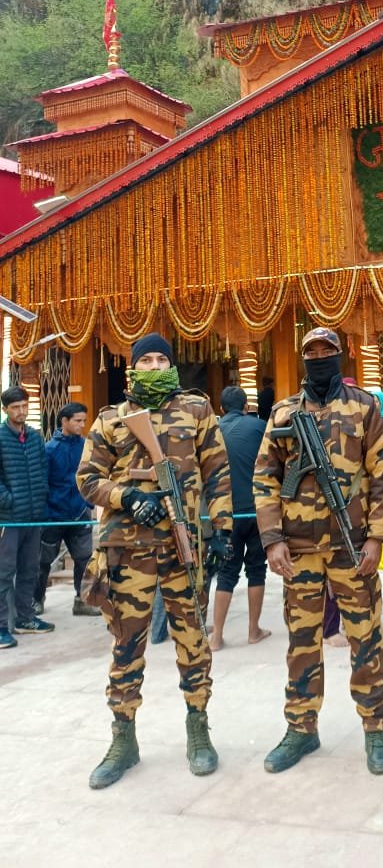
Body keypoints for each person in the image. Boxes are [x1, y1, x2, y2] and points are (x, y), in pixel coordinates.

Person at [77, 332, 232, 789]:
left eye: (162, 360)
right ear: (133, 367)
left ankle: (198, 731)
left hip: (182, 548)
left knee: (193, 641)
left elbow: (218, 473)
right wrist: (127, 497)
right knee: (126, 647)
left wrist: (222, 530)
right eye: (146, 361)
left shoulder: (197, 410)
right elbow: (88, 479)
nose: (154, 367)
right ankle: (123, 739)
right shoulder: (110, 419)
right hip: (127, 551)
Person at [253, 326, 383, 776]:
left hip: (352, 545)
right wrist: (272, 539)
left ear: (340, 355)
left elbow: (381, 475)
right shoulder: (283, 412)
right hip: (298, 549)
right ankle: (301, 727)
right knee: (302, 642)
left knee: (365, 638)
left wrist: (376, 537)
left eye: (326, 351)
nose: (318, 358)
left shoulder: (364, 406)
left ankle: (375, 726)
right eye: (310, 353)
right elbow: (265, 478)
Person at [209, 386, 269, 651]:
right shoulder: (259, 426)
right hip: (256, 509)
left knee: (226, 572)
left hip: (225, 512)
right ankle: (253, 631)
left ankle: (216, 636)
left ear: (221, 409)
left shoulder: (213, 431)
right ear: (246, 407)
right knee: (256, 568)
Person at [34, 402, 99, 618]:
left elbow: (92, 477)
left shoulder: (86, 446)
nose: (82, 425)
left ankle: (82, 601)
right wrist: (44, 512)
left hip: (79, 513)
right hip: (53, 516)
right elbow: (42, 483)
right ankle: (37, 600)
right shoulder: (49, 449)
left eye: (84, 421)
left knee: (84, 560)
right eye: (77, 421)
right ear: (65, 421)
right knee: (43, 561)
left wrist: (88, 504)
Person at [0, 386, 53, 648]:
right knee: (3, 573)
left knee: (29, 569)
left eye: (24, 405)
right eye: (15, 407)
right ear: (5, 409)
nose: (21, 411)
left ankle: (25, 618)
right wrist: (8, 500)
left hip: (33, 517)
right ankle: (1, 627)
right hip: (8, 519)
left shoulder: (34, 437)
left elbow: (43, 470)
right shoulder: (0, 438)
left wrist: (41, 497)